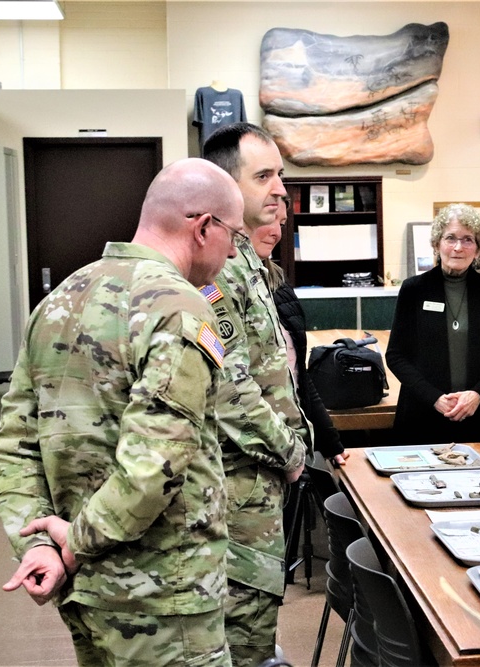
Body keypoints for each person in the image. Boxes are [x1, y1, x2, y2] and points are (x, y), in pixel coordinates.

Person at [0, 158, 244, 666]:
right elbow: (155, 465)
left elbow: (16, 442)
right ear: (202, 227)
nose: (234, 250)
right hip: (164, 598)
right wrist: (75, 543)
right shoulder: (180, 308)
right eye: (233, 234)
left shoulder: (59, 298)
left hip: (84, 591)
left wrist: (39, 544)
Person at [202, 122, 311, 667]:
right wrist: (293, 452)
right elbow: (230, 386)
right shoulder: (216, 269)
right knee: (241, 635)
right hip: (240, 487)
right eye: (263, 176)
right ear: (225, 186)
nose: (279, 190)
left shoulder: (251, 264)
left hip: (262, 482)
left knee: (256, 627)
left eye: (281, 176)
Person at [386, 203, 480, 445]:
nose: (457, 247)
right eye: (450, 238)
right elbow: (396, 356)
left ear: (478, 248)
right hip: (422, 416)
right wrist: (434, 398)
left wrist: (476, 394)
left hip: (479, 416)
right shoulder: (414, 290)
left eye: (467, 240)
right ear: (437, 243)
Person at [268, 197, 349, 468]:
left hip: (296, 443)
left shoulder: (280, 285)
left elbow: (299, 376)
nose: (275, 233)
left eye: (281, 223)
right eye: (267, 222)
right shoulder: (218, 289)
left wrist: (329, 440)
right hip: (260, 451)